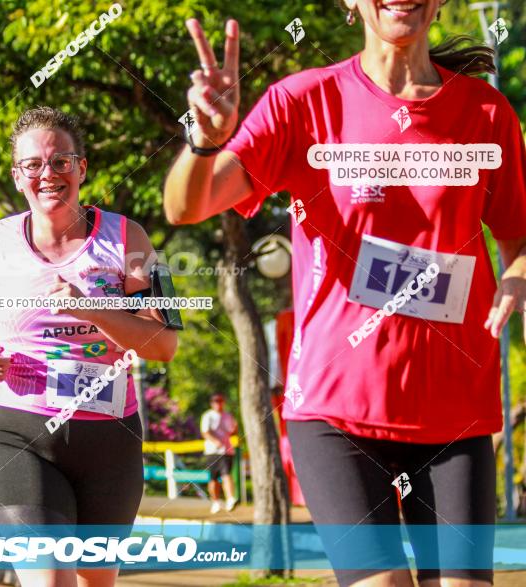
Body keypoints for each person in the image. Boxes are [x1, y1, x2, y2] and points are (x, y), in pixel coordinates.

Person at [164, 4, 526, 586]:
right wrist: (204, 141)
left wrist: (517, 275)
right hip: (337, 410)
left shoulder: (487, 112)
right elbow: (187, 206)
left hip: (453, 411)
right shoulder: (303, 103)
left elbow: (518, 237)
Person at [0, 106, 178, 587]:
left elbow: (165, 344)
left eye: (60, 162)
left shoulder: (128, 237)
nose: (47, 174)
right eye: (33, 165)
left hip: (110, 442)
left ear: (81, 168)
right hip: (19, 436)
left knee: (96, 583)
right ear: (17, 176)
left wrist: (91, 309)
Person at [200, 394, 238, 514]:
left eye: (220, 401)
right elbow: (205, 432)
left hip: (227, 450)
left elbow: (232, 431)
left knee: (226, 474)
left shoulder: (228, 416)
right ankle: (215, 501)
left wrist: (235, 429)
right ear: (212, 403)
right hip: (212, 451)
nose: (218, 404)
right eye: (216, 401)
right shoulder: (208, 416)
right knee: (214, 478)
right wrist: (216, 442)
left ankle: (230, 498)